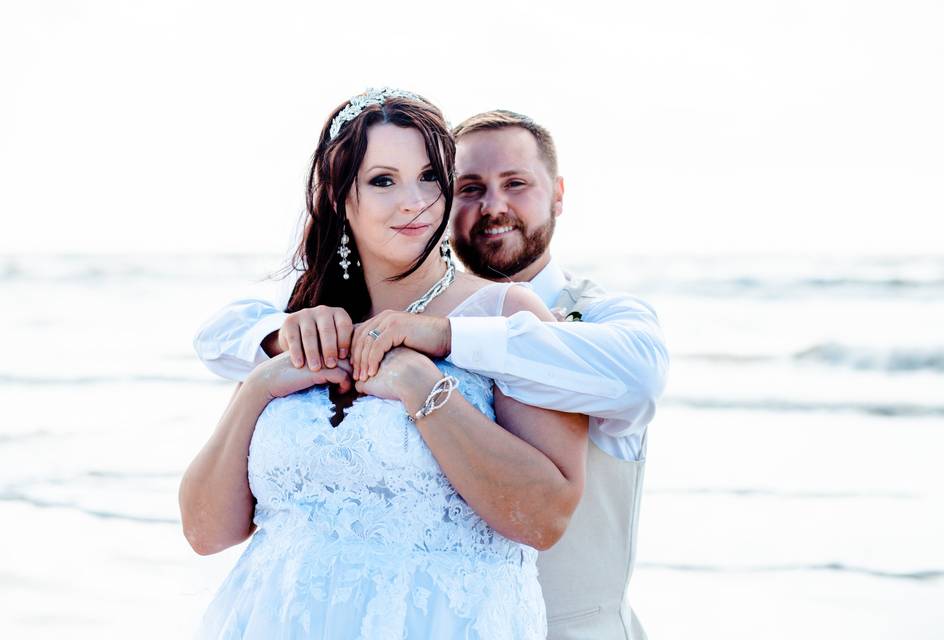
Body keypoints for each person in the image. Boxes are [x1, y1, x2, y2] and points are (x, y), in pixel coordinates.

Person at [195, 109, 670, 639]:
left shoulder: (579, 320)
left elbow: (640, 375)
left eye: (516, 183)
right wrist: (270, 359)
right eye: (468, 186)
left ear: (558, 193)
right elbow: (220, 333)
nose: (493, 206)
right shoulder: (310, 316)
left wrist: (436, 355)